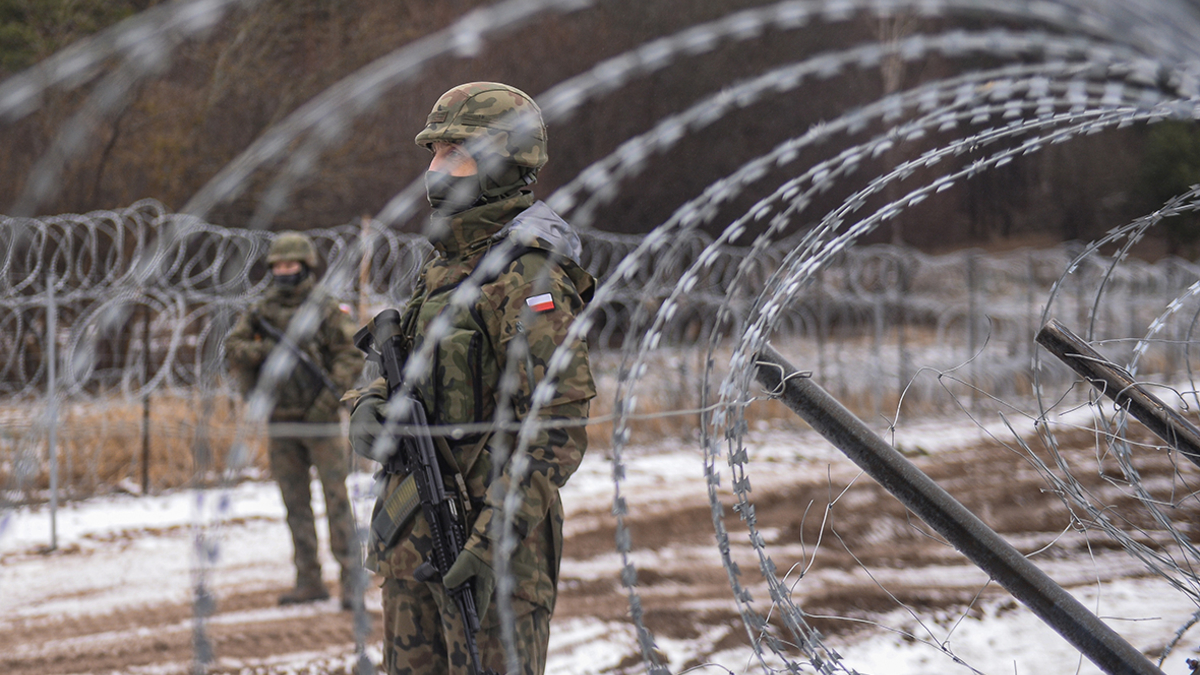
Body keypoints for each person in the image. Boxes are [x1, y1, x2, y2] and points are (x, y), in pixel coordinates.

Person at [348, 82, 595, 675]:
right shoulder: (445, 265)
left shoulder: (526, 274)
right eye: (433, 155)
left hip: (493, 550)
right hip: (413, 536)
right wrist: (367, 400)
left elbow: (559, 424)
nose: (434, 170)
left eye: (451, 154)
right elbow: (403, 362)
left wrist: (491, 542)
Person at [225, 232, 364, 608]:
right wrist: (268, 349)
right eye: (279, 266)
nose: (284, 271)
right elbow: (234, 348)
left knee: (336, 501)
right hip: (281, 421)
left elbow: (350, 355)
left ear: (305, 266)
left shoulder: (324, 307)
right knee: (295, 505)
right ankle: (309, 579)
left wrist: (327, 401)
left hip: (320, 422)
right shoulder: (261, 312)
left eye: (291, 265)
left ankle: (352, 580)